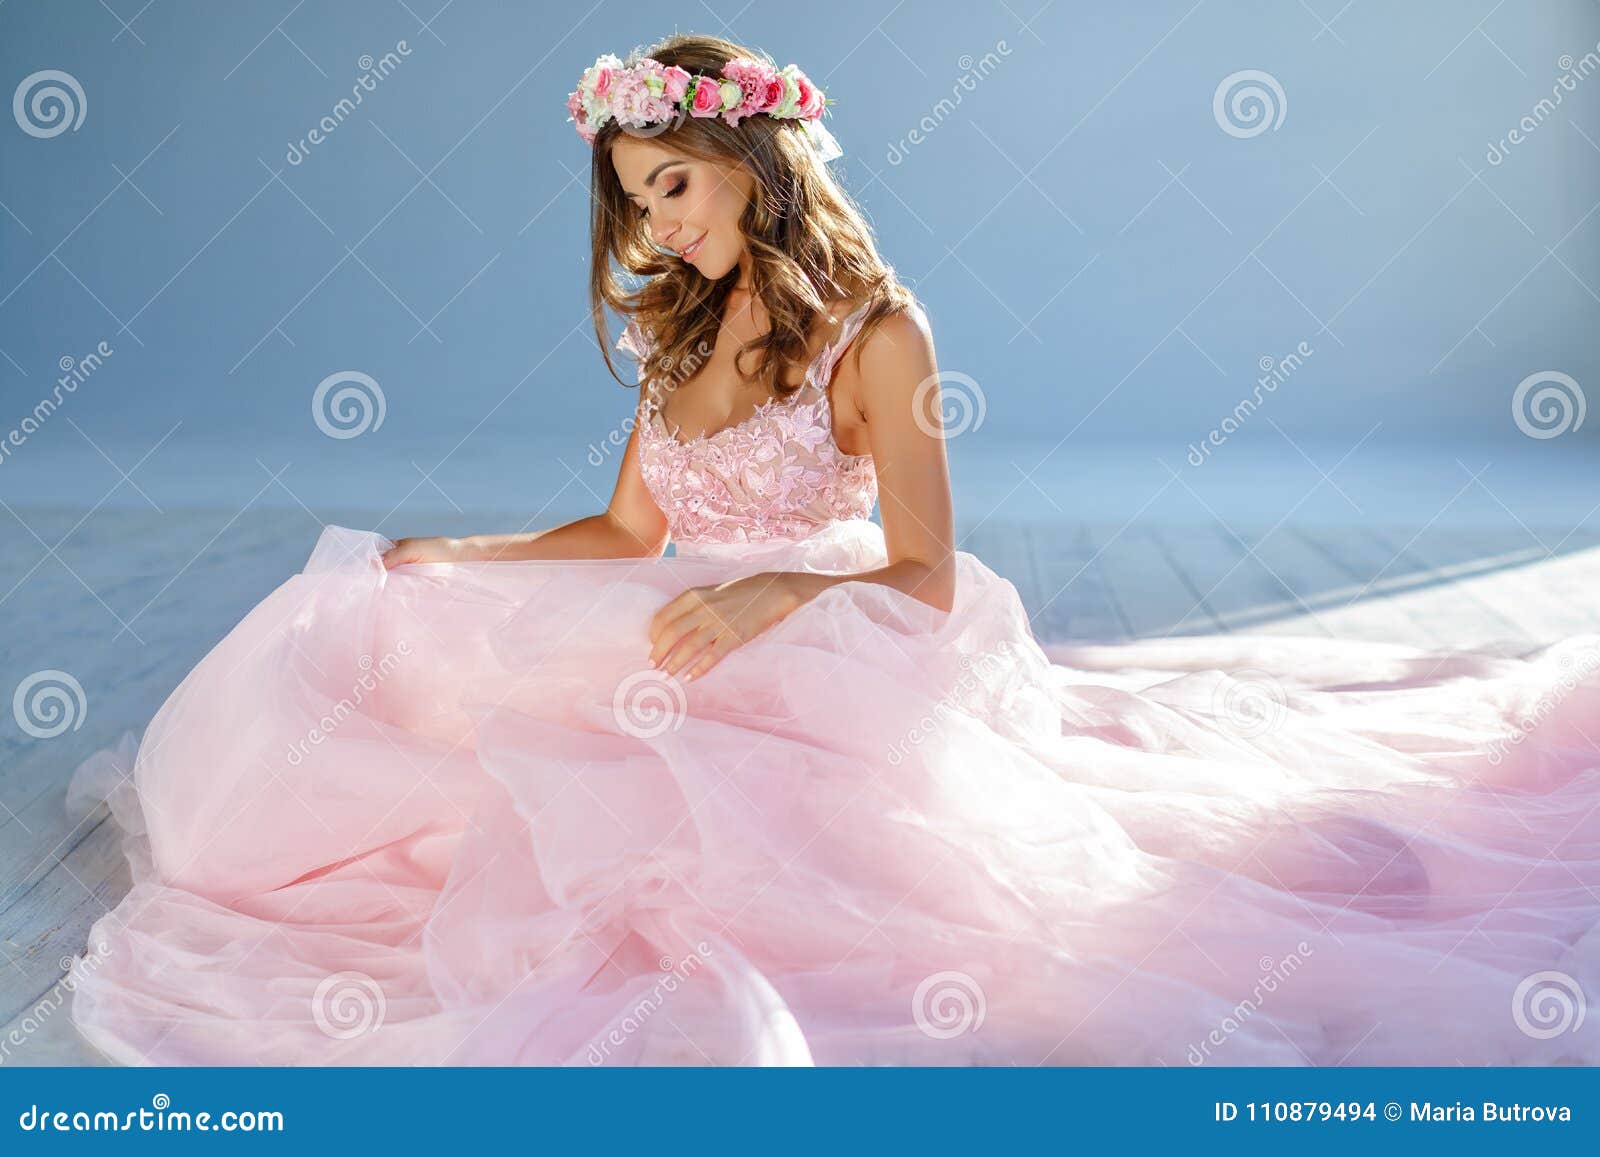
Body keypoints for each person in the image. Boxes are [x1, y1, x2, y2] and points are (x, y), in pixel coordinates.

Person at [66, 33, 1600, 1067]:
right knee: (400, 621)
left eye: (671, 183)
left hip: (837, 634)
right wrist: (453, 552)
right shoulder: (676, 339)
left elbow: (928, 569)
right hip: (687, 610)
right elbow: (622, 532)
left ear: (749, 158)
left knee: (723, 845)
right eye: (633, 202)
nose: (655, 227)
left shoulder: (880, 332)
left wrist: (780, 587)